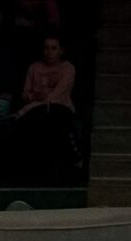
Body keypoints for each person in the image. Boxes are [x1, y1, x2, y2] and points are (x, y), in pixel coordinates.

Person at [13, 33, 80, 181]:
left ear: (61, 50)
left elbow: (55, 96)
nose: (49, 52)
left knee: (56, 122)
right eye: (46, 48)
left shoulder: (68, 68)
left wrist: (30, 106)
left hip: (61, 109)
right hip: (36, 111)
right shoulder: (34, 67)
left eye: (53, 48)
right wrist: (34, 99)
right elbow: (25, 94)